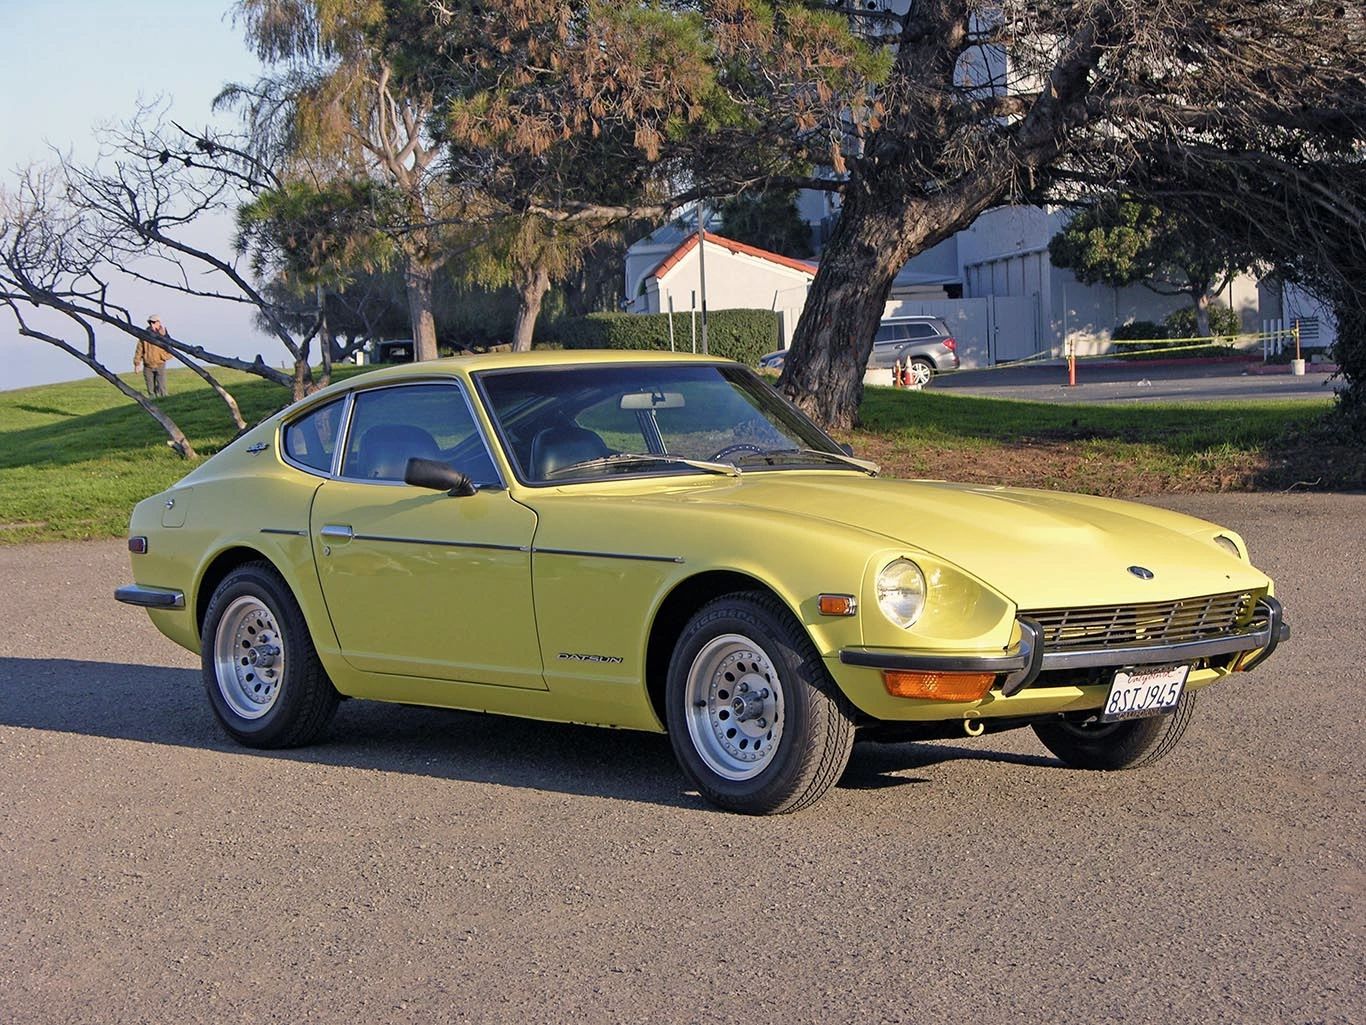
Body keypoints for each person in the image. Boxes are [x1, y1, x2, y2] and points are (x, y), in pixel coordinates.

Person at [134, 315, 173, 398]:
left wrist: (166, 356)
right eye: (152, 322)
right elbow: (139, 349)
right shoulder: (144, 334)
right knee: (150, 388)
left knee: (162, 386)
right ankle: (153, 403)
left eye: (155, 322)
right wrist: (137, 364)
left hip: (160, 363)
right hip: (148, 364)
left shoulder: (163, 333)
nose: (153, 324)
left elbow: (170, 344)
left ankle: (165, 400)